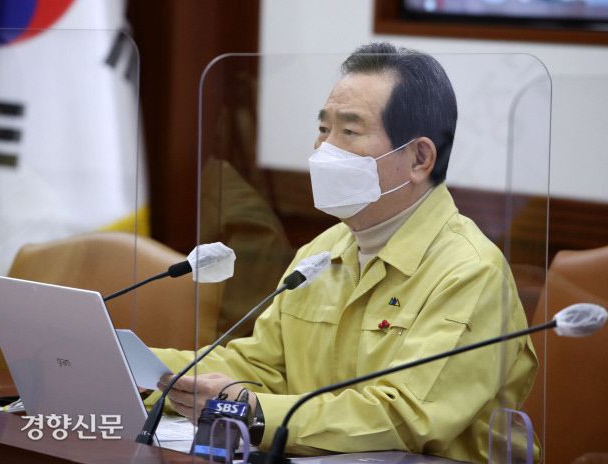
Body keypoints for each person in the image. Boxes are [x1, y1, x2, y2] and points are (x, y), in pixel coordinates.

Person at [147, 42, 538, 463]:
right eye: (323, 128)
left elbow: (405, 417)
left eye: (348, 132)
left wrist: (252, 411)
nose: (323, 149)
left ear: (419, 157)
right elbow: (264, 367)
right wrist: (143, 370)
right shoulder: (322, 251)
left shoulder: (470, 271)